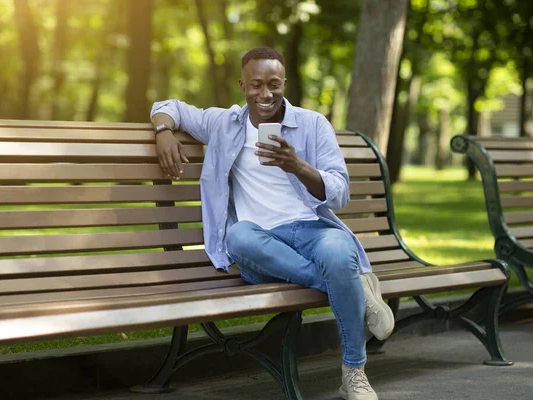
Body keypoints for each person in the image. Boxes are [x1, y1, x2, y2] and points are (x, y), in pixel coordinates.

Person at [150, 47, 394, 400]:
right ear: (242, 85)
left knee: (339, 254)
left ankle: (353, 373)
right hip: (260, 244)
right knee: (239, 236)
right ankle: (353, 286)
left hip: (312, 231)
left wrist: (298, 166)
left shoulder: (312, 124)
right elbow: (168, 105)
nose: (265, 94)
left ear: (285, 83)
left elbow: (340, 192)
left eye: (274, 85)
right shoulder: (223, 123)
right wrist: (163, 132)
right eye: (256, 85)